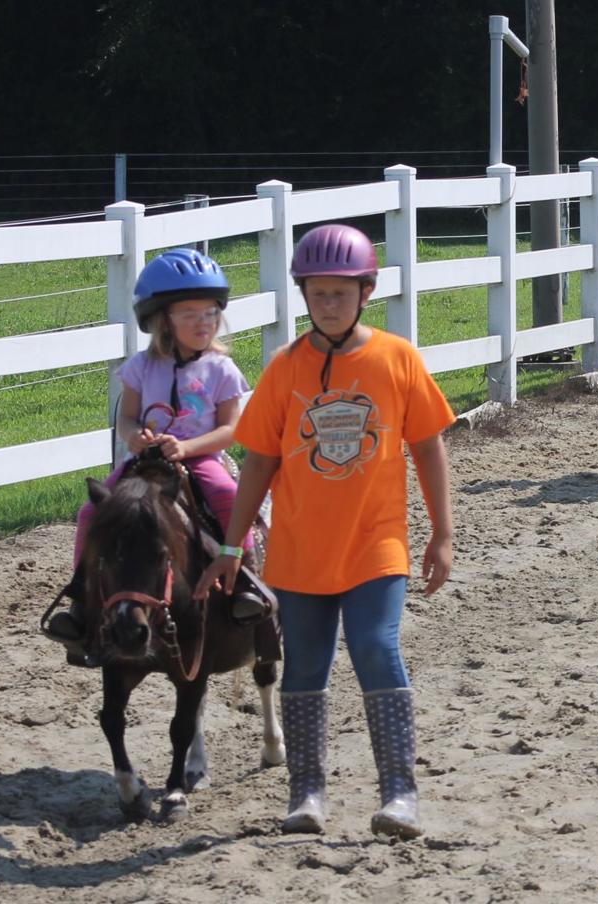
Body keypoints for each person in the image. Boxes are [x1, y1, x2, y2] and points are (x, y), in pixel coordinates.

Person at [194, 224, 455, 840]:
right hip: (300, 552)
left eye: (341, 292)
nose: (329, 303)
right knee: (305, 665)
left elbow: (429, 448)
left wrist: (441, 534)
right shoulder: (286, 369)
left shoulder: (397, 359)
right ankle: (306, 793)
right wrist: (232, 546)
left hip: (376, 543)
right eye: (318, 293)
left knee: (375, 647)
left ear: (366, 292)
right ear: (304, 295)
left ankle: (399, 796)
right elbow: (258, 459)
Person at [43, 248, 272, 664]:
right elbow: (126, 419)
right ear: (161, 319)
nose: (202, 322)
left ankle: (246, 582)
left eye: (209, 313)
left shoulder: (222, 370)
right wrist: (135, 438)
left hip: (200, 460)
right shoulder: (141, 367)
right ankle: (80, 598)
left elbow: (232, 428)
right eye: (189, 314)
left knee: (229, 498)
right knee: (92, 514)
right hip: (146, 462)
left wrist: (187, 447)